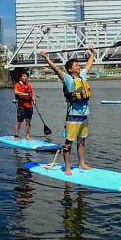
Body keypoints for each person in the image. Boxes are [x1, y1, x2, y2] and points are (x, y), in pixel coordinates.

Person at [40, 46, 95, 176]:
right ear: (70, 69)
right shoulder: (68, 79)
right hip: (73, 116)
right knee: (68, 143)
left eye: (78, 65)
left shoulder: (82, 76)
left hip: (84, 115)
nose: (79, 67)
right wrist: (47, 58)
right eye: (76, 66)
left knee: (82, 141)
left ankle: (82, 163)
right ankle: (68, 168)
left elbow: (89, 65)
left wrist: (93, 53)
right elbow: (56, 70)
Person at [13, 71, 35, 140]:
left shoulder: (29, 85)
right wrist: (26, 94)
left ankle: (28, 136)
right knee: (19, 122)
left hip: (29, 106)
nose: (25, 78)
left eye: (26, 76)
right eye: (23, 76)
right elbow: (16, 92)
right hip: (21, 106)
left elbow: (32, 94)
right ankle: (16, 136)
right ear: (20, 78)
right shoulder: (17, 85)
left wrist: (34, 100)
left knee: (28, 122)